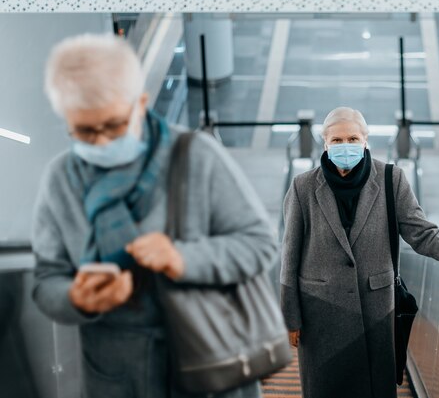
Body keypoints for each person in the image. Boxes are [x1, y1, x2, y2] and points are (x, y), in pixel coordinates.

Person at [31, 33, 277, 398]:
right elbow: (47, 278)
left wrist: (183, 258)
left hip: (210, 361)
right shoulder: (60, 179)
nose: (99, 141)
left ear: (141, 104)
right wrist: (77, 299)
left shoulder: (196, 157)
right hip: (116, 372)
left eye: (112, 125)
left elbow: (260, 244)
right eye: (83, 130)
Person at [280, 107, 439, 398]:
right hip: (322, 315)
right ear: (325, 143)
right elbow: (290, 257)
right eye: (336, 140)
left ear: (365, 140)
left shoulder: (390, 179)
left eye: (352, 138)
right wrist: (290, 318)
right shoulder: (303, 187)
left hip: (376, 312)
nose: (344, 146)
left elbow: (421, 233)